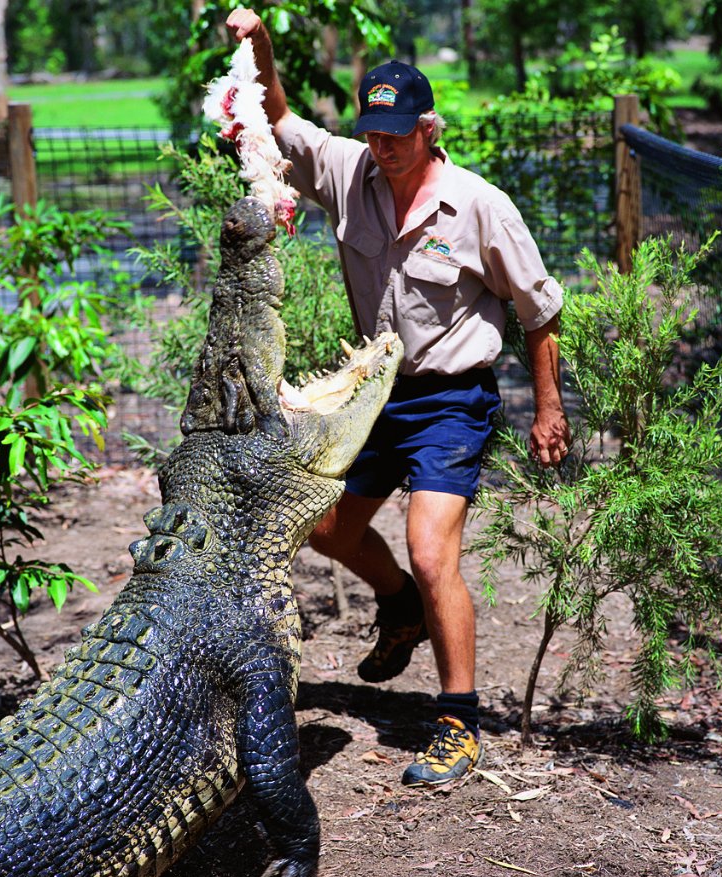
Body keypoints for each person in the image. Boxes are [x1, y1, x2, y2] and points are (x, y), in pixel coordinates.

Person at [227, 9, 571, 786]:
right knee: (326, 530)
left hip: (452, 400)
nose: (381, 148)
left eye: (396, 134)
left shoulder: (481, 205)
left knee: (430, 547)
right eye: (373, 132)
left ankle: (458, 723)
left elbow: (539, 310)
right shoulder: (351, 169)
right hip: (374, 395)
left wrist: (549, 408)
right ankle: (401, 606)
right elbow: (279, 116)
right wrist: (259, 46)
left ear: (428, 128)